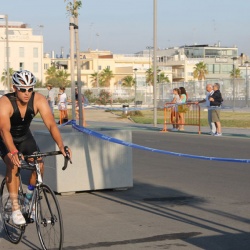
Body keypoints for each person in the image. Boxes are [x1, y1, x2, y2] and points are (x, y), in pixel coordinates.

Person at [0, 70, 72, 225]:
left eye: (30, 89)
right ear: (15, 88)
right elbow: (4, 130)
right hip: (5, 138)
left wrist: (61, 146)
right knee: (13, 164)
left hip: (25, 137)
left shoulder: (38, 100)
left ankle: (28, 199)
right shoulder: (5, 102)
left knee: (39, 163)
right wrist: (13, 152)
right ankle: (15, 208)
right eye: (23, 89)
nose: (27, 93)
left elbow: (51, 124)